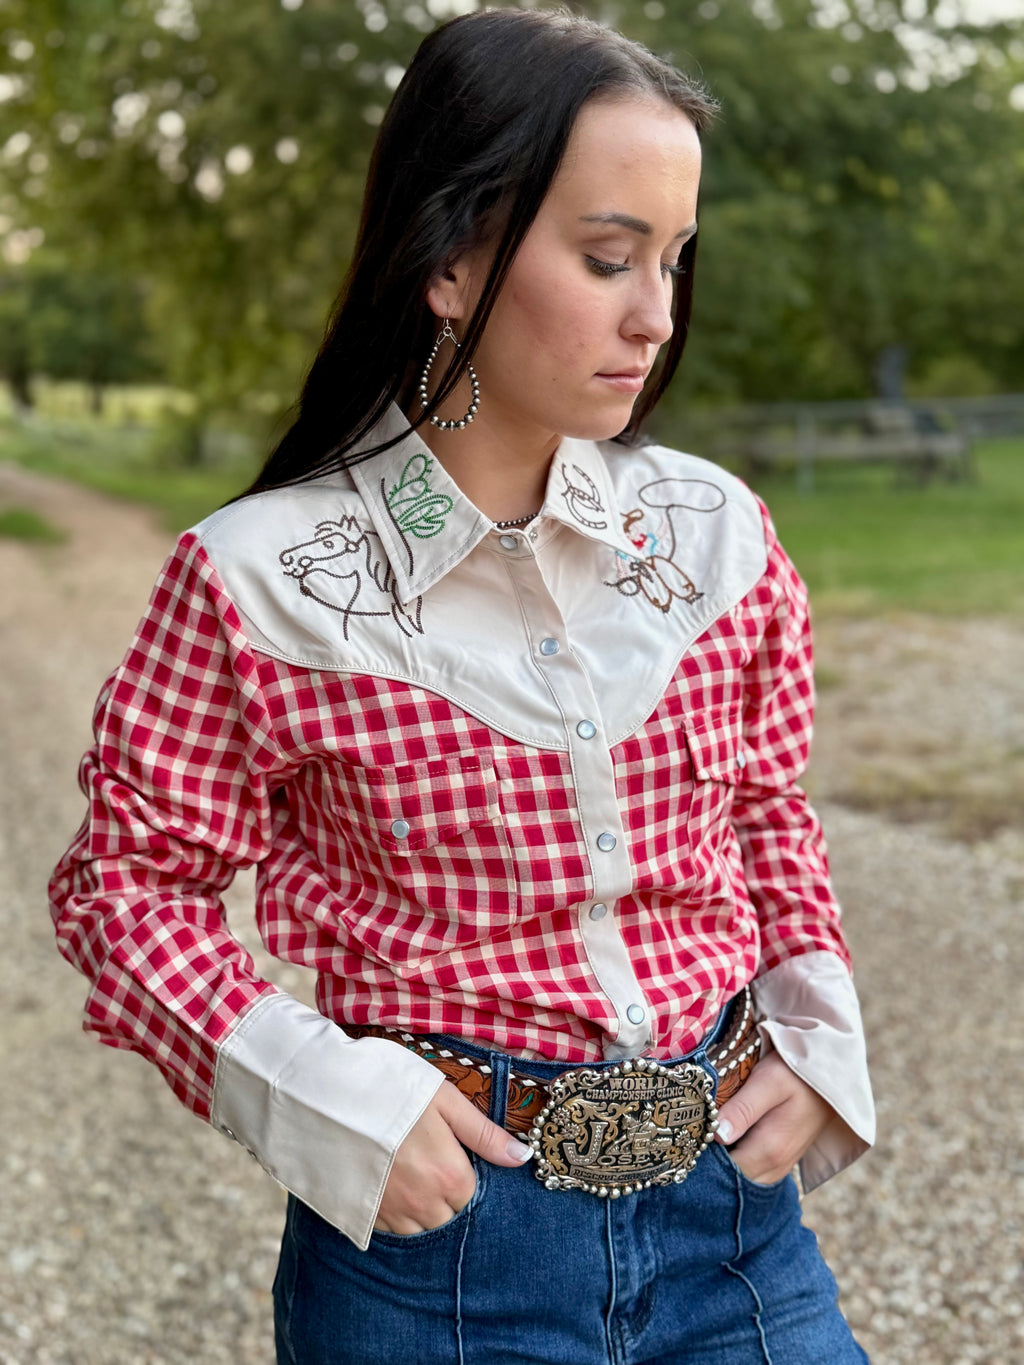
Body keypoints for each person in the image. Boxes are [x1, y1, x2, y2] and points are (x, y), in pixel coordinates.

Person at [49, 8, 875, 1363]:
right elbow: (125, 889)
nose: (655, 314)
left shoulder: (719, 539)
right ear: (449, 259)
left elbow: (765, 810)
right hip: (443, 1253)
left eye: (672, 259)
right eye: (608, 256)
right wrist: (322, 1096)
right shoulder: (260, 582)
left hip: (737, 1227)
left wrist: (816, 1033)